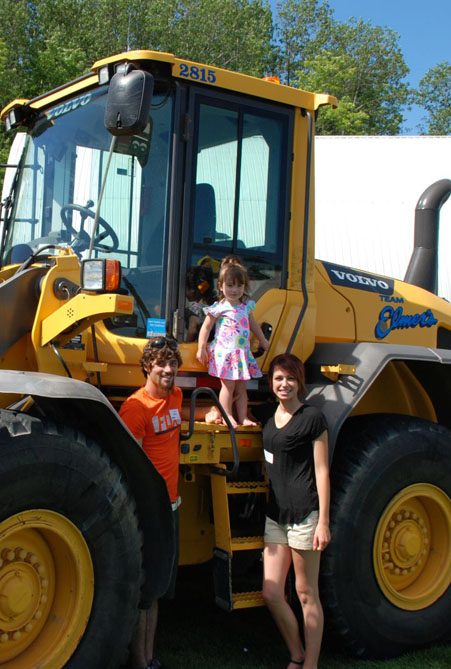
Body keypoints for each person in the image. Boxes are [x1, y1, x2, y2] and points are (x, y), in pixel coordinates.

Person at [261, 353, 330, 669]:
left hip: (305, 515)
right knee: (271, 592)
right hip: (275, 516)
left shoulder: (312, 418)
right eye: (278, 378)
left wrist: (323, 522)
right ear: (271, 382)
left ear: (299, 381)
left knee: (305, 592)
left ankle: (310, 664)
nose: (284, 384)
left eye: (290, 378)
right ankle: (296, 654)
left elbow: (322, 471)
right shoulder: (268, 417)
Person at [118, 335, 183, 669]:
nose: (167, 370)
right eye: (160, 364)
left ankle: (149, 658)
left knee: (157, 587)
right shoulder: (136, 408)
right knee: (145, 591)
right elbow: (133, 465)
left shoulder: (177, 397)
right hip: (150, 509)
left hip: (172, 505)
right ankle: (139, 662)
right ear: (146, 367)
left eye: (172, 363)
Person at [196, 257, 270, 427]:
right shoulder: (219, 307)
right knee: (228, 386)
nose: (235, 290)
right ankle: (227, 415)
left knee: (242, 387)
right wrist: (201, 348)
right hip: (225, 352)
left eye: (239, 285)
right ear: (221, 286)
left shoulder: (246, 307)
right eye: (230, 285)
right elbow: (205, 328)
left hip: (241, 352)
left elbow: (253, 325)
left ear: (245, 287)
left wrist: (263, 339)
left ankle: (243, 417)